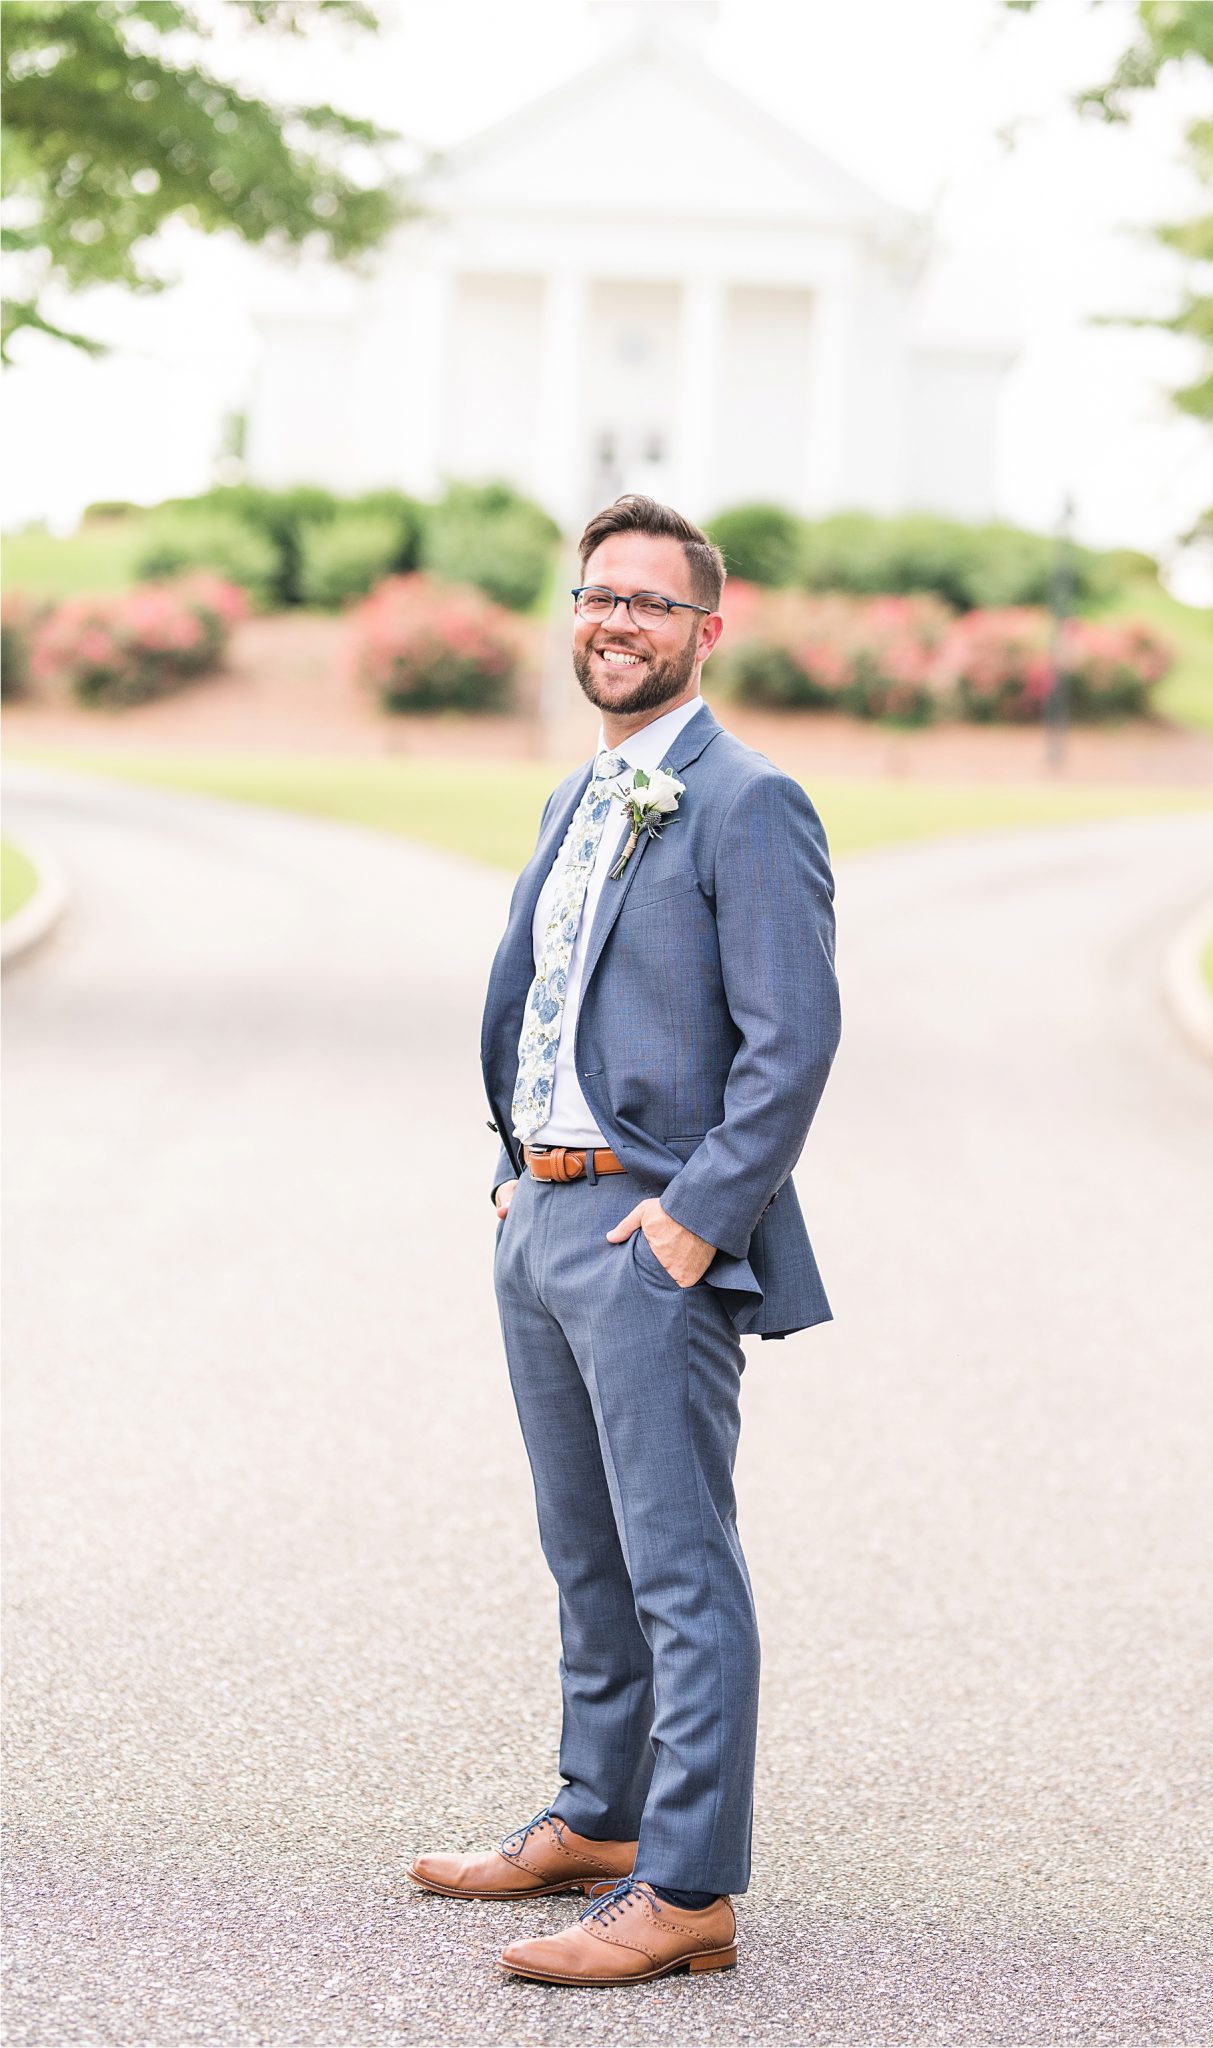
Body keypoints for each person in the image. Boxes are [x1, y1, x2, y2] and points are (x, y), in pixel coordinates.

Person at [407, 494, 841, 1987]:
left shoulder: (745, 800)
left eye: (650, 604)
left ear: (704, 631)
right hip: (543, 1214)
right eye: (597, 596)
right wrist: (522, 1178)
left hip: (654, 1237)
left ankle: (690, 1889)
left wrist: (685, 1228)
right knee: (583, 1554)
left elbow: (790, 1048)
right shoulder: (578, 796)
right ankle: (599, 1816)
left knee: (678, 1568)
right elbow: (544, 994)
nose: (615, 622)